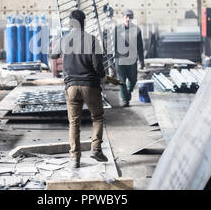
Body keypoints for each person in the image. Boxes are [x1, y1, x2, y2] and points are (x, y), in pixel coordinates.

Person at [50, 9, 108, 168]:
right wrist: (102, 76)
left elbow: (53, 56)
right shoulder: (92, 40)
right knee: (97, 117)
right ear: (84, 23)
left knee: (74, 122)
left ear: (70, 23)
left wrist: (59, 42)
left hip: (71, 87)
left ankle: (75, 157)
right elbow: (97, 65)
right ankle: (96, 148)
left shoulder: (63, 39)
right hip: (90, 86)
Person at [114, 9, 145, 107]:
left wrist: (142, 61)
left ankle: (128, 92)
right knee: (122, 80)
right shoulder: (117, 30)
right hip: (120, 59)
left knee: (133, 80)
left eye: (130, 17)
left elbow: (140, 47)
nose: (128, 19)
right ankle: (125, 100)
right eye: (126, 16)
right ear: (123, 17)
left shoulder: (137, 30)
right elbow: (112, 45)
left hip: (132, 59)